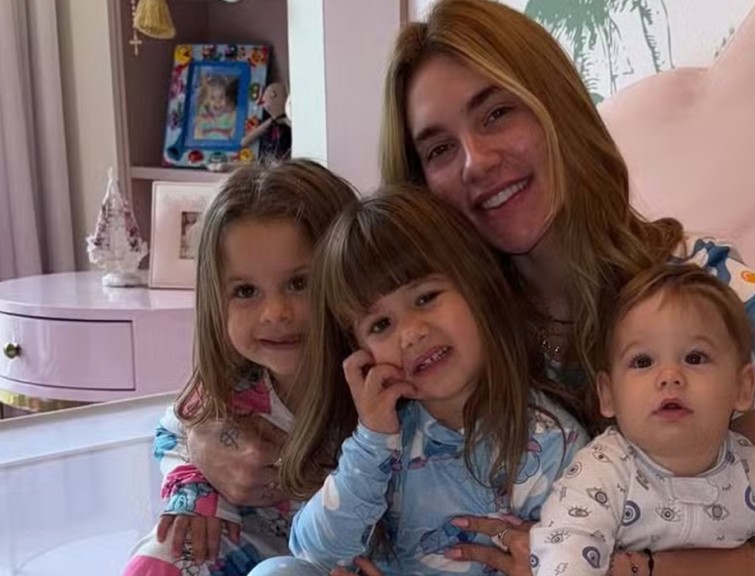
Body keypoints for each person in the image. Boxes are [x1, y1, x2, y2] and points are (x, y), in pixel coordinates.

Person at [188, 1, 755, 574]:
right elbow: (260, 390)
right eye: (439, 149)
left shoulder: (717, 296)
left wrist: (619, 570)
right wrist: (196, 457)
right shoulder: (445, 321)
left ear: (557, 108)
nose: (477, 161)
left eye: (497, 113)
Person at [247, 187, 588, 575]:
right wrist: (372, 442)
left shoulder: (556, 443)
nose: (410, 333)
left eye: (425, 298)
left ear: (479, 287)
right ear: (361, 355)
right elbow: (313, 553)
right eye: (381, 325)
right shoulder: (381, 437)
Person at [530, 263, 755, 576]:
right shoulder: (602, 475)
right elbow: (565, 550)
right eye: (643, 362)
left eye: (695, 358)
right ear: (608, 395)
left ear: (742, 387)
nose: (669, 376)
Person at [122, 160, 359, 575]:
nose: (275, 312)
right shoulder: (231, 386)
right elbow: (172, 433)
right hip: (248, 543)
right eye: (246, 290)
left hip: (343, 559)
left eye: (299, 283)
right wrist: (195, 486)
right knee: (162, 553)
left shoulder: (378, 391)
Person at [193, 73, 238, 141]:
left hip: (224, 146)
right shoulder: (203, 117)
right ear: (207, 101)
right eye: (213, 98)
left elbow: (235, 132)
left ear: (226, 99)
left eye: (221, 97)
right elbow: (197, 133)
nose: (217, 102)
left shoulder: (229, 117)